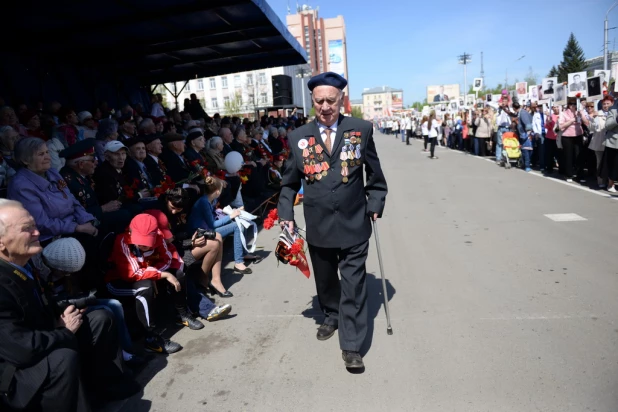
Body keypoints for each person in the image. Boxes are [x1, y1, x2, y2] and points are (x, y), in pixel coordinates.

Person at [278, 72, 388, 370]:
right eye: (319, 101)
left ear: (341, 100)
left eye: (331, 100)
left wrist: (375, 202)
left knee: (353, 285)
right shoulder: (298, 136)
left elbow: (375, 176)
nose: (325, 106)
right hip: (319, 224)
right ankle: (331, 314)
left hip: (354, 222)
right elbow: (289, 183)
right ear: (312, 101)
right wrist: (285, 214)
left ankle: (352, 345)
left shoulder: (361, 129)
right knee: (326, 280)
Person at [0, 200, 138, 412]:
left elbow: (38, 306)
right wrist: (63, 331)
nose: (37, 232)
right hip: (18, 370)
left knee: (100, 318)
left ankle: (106, 390)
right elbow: (21, 350)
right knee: (62, 358)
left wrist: (67, 308)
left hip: (43, 335)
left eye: (34, 225)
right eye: (27, 229)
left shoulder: (23, 263)